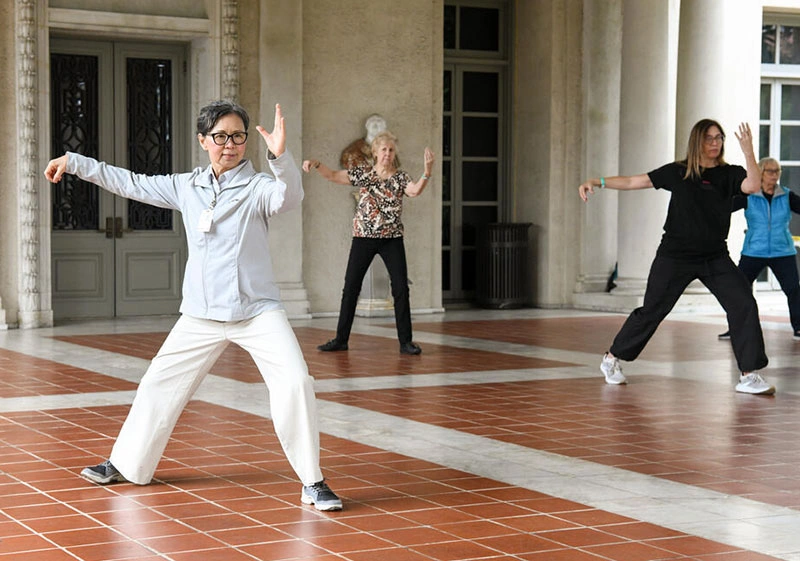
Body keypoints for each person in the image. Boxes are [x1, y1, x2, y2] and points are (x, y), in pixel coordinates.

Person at [43, 100, 343, 511]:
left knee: (296, 383)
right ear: (203, 141)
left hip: (257, 312)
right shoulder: (187, 186)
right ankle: (128, 464)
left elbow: (288, 198)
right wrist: (75, 162)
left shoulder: (258, 188)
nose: (230, 145)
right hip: (200, 315)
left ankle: (313, 481)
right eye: (220, 137)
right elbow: (130, 182)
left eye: (237, 136)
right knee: (157, 385)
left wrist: (280, 157)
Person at [578, 119, 774, 395]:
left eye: (719, 138)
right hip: (675, 255)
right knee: (652, 310)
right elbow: (637, 180)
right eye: (709, 138)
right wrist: (597, 181)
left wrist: (748, 150)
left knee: (743, 303)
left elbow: (753, 186)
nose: (715, 143)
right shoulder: (678, 172)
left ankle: (749, 374)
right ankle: (612, 358)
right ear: (697, 141)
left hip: (715, 256)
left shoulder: (730, 173)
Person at [303, 132, 434, 355]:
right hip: (364, 237)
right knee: (351, 288)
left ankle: (406, 342)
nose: (387, 154)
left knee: (401, 288)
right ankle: (340, 339)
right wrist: (316, 164)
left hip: (392, 239)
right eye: (383, 150)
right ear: (375, 153)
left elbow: (414, 190)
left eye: (391, 150)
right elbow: (335, 176)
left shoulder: (400, 178)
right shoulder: (364, 174)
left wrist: (427, 172)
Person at [719, 157, 800, 340]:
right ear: (761, 173)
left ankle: (799, 327)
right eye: (770, 171)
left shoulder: (787, 196)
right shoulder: (749, 196)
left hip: (783, 251)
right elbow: (722, 208)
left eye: (777, 171)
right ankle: (735, 328)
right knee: (738, 290)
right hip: (753, 251)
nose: (775, 175)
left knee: (794, 289)